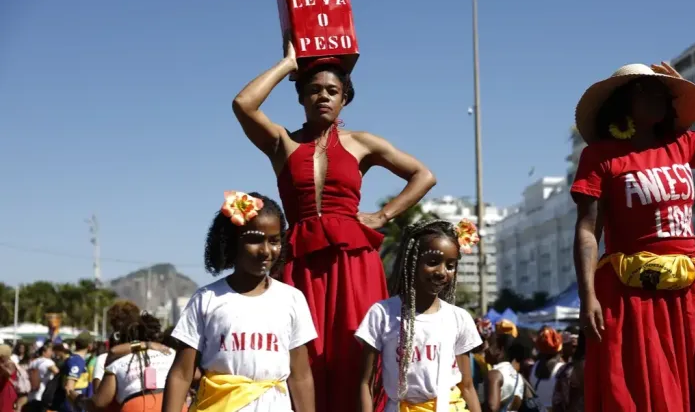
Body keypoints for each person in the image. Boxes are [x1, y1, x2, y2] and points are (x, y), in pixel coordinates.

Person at [231, 36, 436, 412]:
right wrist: (289, 64)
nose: (322, 96)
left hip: (355, 262)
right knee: (301, 357)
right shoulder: (282, 143)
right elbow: (243, 104)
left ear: (344, 98)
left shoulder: (362, 143)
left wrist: (383, 215)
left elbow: (423, 175)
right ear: (301, 97)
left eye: (332, 90)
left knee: (358, 354)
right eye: (313, 90)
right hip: (299, 264)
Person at [571, 62, 695, 411]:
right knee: (646, 390)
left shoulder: (683, 144)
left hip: (692, 285)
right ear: (624, 103)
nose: (658, 98)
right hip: (631, 291)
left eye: (663, 92)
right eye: (645, 92)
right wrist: (587, 297)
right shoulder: (600, 156)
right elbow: (588, 230)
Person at [162, 192, 316, 412]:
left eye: (274, 241)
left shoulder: (292, 299)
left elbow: (300, 376)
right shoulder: (206, 299)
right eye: (254, 240)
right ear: (232, 242)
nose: (265, 251)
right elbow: (181, 374)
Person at [355, 219, 482, 412]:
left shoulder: (459, 318)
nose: (442, 272)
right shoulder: (382, 313)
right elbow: (366, 383)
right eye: (432, 262)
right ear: (411, 262)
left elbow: (467, 386)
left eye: (450, 265)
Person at [78, 313, 177, 412]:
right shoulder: (171, 353)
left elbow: (100, 402)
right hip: (174, 405)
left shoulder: (117, 363)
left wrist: (80, 400)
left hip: (136, 407)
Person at [483, 334, 526, 412]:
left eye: (490, 345)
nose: (485, 349)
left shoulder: (494, 374)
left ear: (500, 350)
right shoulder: (518, 377)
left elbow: (492, 407)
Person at [61, 332, 94, 412]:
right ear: (89, 346)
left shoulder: (74, 359)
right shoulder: (77, 361)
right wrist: (75, 407)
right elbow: (69, 388)